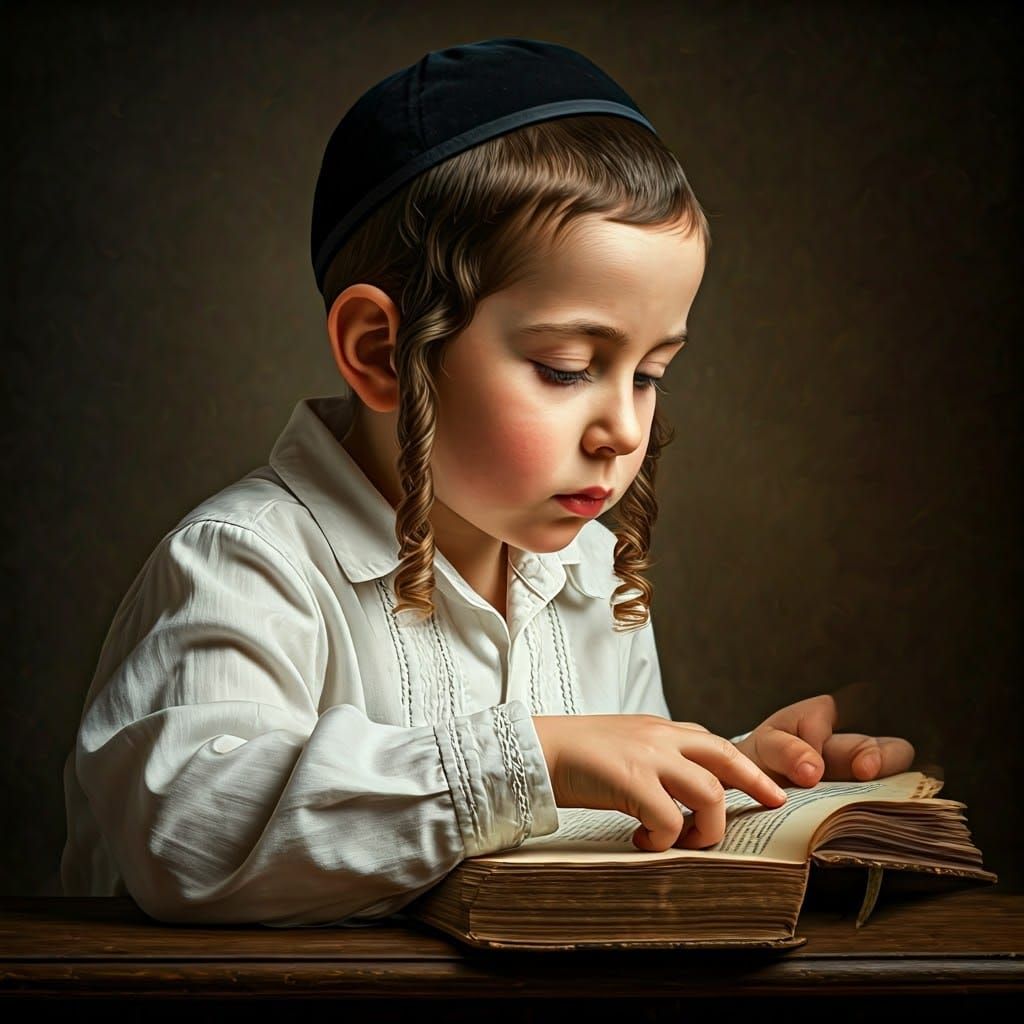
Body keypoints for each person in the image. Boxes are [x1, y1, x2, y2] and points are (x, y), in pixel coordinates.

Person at [60, 37, 915, 927]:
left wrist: (734, 781)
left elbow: (594, 843)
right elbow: (187, 834)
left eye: (651, 373)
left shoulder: (591, 574)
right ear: (380, 351)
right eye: (565, 366)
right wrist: (531, 761)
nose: (623, 428)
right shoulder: (244, 566)